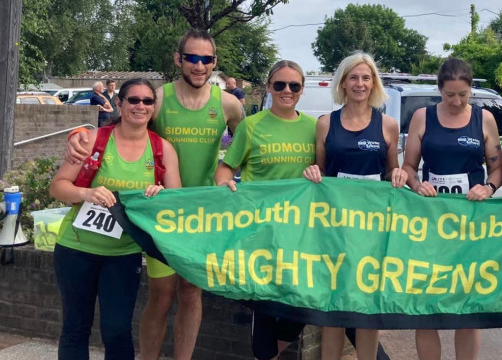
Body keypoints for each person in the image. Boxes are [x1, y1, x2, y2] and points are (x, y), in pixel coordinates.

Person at [65, 29, 245, 360]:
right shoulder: (159, 98)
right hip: (161, 213)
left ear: (214, 63)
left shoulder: (230, 104)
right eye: (192, 57)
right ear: (179, 59)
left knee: (192, 293)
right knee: (161, 295)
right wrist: (81, 133)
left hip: (202, 215)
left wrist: (229, 179)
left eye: (206, 59)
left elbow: (245, 151)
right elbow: (122, 127)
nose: (199, 65)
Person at [49, 78, 181, 360]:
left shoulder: (162, 150)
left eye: (147, 101)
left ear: (153, 108)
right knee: (75, 328)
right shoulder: (94, 139)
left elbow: (176, 204)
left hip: (124, 254)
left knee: (118, 331)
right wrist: (86, 192)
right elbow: (58, 186)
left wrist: (161, 195)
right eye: (133, 100)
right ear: (119, 104)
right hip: (76, 249)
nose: (141, 106)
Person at [302, 52, 408, 360]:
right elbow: (320, 170)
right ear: (343, 83)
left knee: (366, 307)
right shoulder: (325, 124)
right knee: (334, 306)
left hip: (373, 230)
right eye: (353, 77)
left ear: (373, 83)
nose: (360, 84)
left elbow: (391, 172)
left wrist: (398, 173)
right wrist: (313, 172)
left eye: (366, 77)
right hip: (334, 227)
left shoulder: (388, 125)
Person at [401, 57, 502, 360]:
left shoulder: (484, 119)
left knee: (467, 305)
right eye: (449, 95)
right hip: (431, 222)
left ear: (471, 90)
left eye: (463, 95)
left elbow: (497, 169)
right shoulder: (422, 117)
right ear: (439, 90)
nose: (457, 101)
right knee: (427, 304)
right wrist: (417, 185)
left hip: (471, 222)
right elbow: (408, 166)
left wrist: (488, 188)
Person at [216, 60, 316, 360]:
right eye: (280, 85)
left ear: (302, 89)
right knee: (265, 312)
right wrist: (225, 189)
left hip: (301, 234)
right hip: (261, 233)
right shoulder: (252, 125)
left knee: (302, 306)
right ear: (269, 87)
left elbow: (327, 174)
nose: (287, 91)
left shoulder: (314, 127)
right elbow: (226, 169)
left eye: (294, 86)